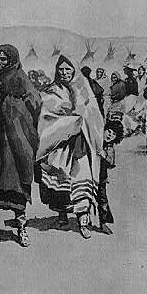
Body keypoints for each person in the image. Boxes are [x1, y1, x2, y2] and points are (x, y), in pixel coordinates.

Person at [0, 44, 41, 247]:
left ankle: (21, 228)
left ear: (11, 60)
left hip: (11, 143)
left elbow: (35, 103)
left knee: (16, 185)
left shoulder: (20, 78)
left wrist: (11, 103)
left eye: (3, 59)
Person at [36, 55, 105, 239]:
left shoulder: (84, 91)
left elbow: (94, 117)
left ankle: (83, 221)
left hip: (80, 145)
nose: (65, 73)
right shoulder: (51, 91)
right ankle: (62, 216)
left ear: (74, 70)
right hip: (59, 145)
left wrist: (81, 121)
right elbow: (45, 116)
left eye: (68, 69)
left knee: (81, 178)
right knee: (60, 181)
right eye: (61, 69)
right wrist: (66, 122)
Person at [97, 117, 124, 234]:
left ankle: (103, 223)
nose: (110, 135)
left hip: (101, 177)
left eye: (113, 134)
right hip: (89, 174)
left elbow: (111, 163)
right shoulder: (96, 140)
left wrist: (104, 156)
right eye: (109, 131)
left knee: (102, 200)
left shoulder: (110, 148)